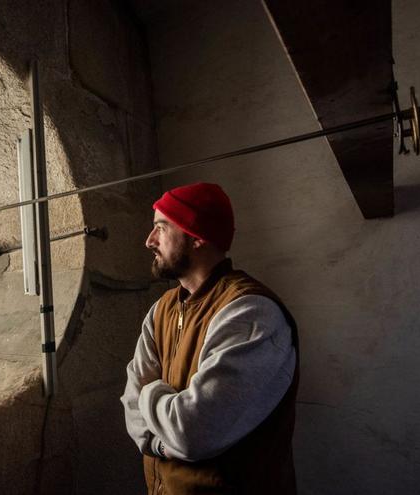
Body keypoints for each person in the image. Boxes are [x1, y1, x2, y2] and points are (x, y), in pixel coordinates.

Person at [121, 183, 299, 494]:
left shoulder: (250, 312)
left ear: (198, 237)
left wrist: (150, 390)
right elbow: (130, 407)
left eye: (160, 229)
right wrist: (162, 445)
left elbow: (192, 432)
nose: (149, 241)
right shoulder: (161, 310)